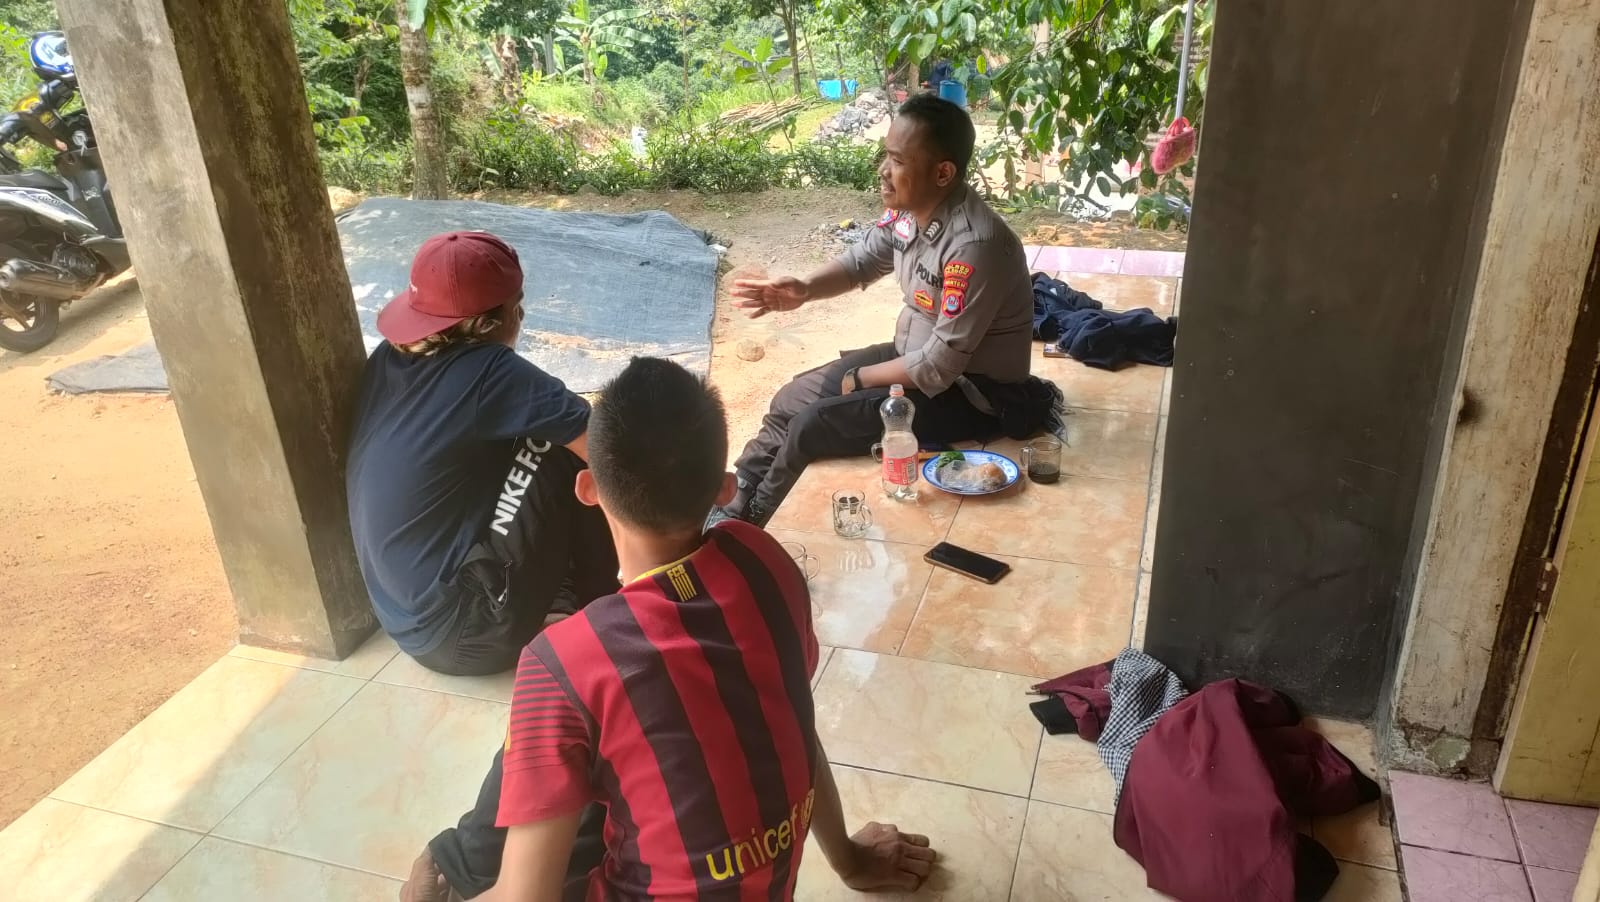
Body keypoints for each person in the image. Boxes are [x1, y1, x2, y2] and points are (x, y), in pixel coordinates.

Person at [402, 357, 936, 901]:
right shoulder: (765, 560)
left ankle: (457, 867)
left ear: (588, 489)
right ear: (724, 489)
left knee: (536, 763)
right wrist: (848, 859)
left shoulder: (563, 660)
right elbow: (794, 720)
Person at [723, 95, 1062, 525]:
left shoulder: (975, 246)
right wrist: (805, 289)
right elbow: (861, 261)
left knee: (811, 425)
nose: (883, 170)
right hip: (910, 360)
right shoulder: (909, 214)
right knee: (790, 398)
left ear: (943, 173)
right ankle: (735, 498)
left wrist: (858, 379)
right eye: (886, 155)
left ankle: (752, 521)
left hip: (971, 394)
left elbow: (938, 367)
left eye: (898, 160)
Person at [346, 231, 619, 677]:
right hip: (468, 630)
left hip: (406, 619)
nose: (522, 316)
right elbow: (606, 448)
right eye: (517, 306)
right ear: (490, 324)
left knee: (537, 433)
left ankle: (560, 599)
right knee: (556, 447)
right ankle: (604, 609)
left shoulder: (388, 359)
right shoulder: (490, 371)